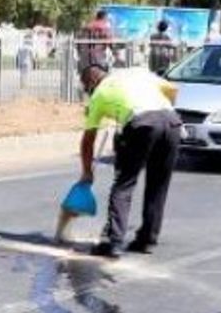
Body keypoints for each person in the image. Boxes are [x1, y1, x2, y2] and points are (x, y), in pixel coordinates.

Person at [77, 63, 182, 259]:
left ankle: (113, 242)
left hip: (142, 123)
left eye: (86, 88)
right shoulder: (135, 73)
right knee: (158, 185)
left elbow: (88, 139)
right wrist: (163, 114)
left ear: (92, 82)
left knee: (124, 184)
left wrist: (87, 171)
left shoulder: (99, 94)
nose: (88, 92)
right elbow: (173, 89)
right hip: (172, 122)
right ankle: (147, 239)